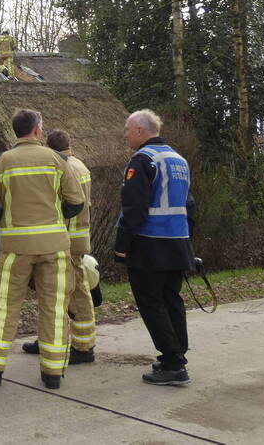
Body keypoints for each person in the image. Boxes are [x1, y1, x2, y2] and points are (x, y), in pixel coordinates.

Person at [0, 109, 85, 390]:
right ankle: (53, 374)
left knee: (5, 307)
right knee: (55, 308)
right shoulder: (58, 160)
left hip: (15, 249)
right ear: (38, 130)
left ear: (16, 131)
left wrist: (6, 218)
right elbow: (76, 201)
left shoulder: (0, 162)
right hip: (55, 248)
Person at [115, 109, 195, 386]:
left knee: (151, 304)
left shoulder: (143, 159)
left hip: (150, 246)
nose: (125, 135)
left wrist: (121, 246)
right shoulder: (178, 160)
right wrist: (188, 241)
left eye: (127, 130)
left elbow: (133, 209)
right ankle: (176, 354)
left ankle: (173, 363)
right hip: (177, 244)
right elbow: (190, 206)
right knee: (172, 299)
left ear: (139, 131)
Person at [22, 129, 96, 364]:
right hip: (78, 238)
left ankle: (81, 347)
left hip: (63, 240)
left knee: (62, 294)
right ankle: (67, 341)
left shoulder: (62, 168)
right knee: (74, 292)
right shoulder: (80, 165)